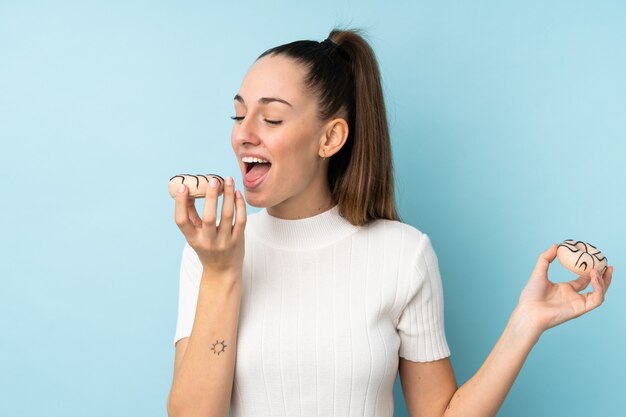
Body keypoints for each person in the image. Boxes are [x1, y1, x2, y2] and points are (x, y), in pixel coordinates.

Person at [166, 29, 613, 417]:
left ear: (331, 138)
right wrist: (222, 273)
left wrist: (525, 323)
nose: (244, 132)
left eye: (273, 117)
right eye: (239, 113)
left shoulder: (403, 254)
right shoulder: (209, 252)